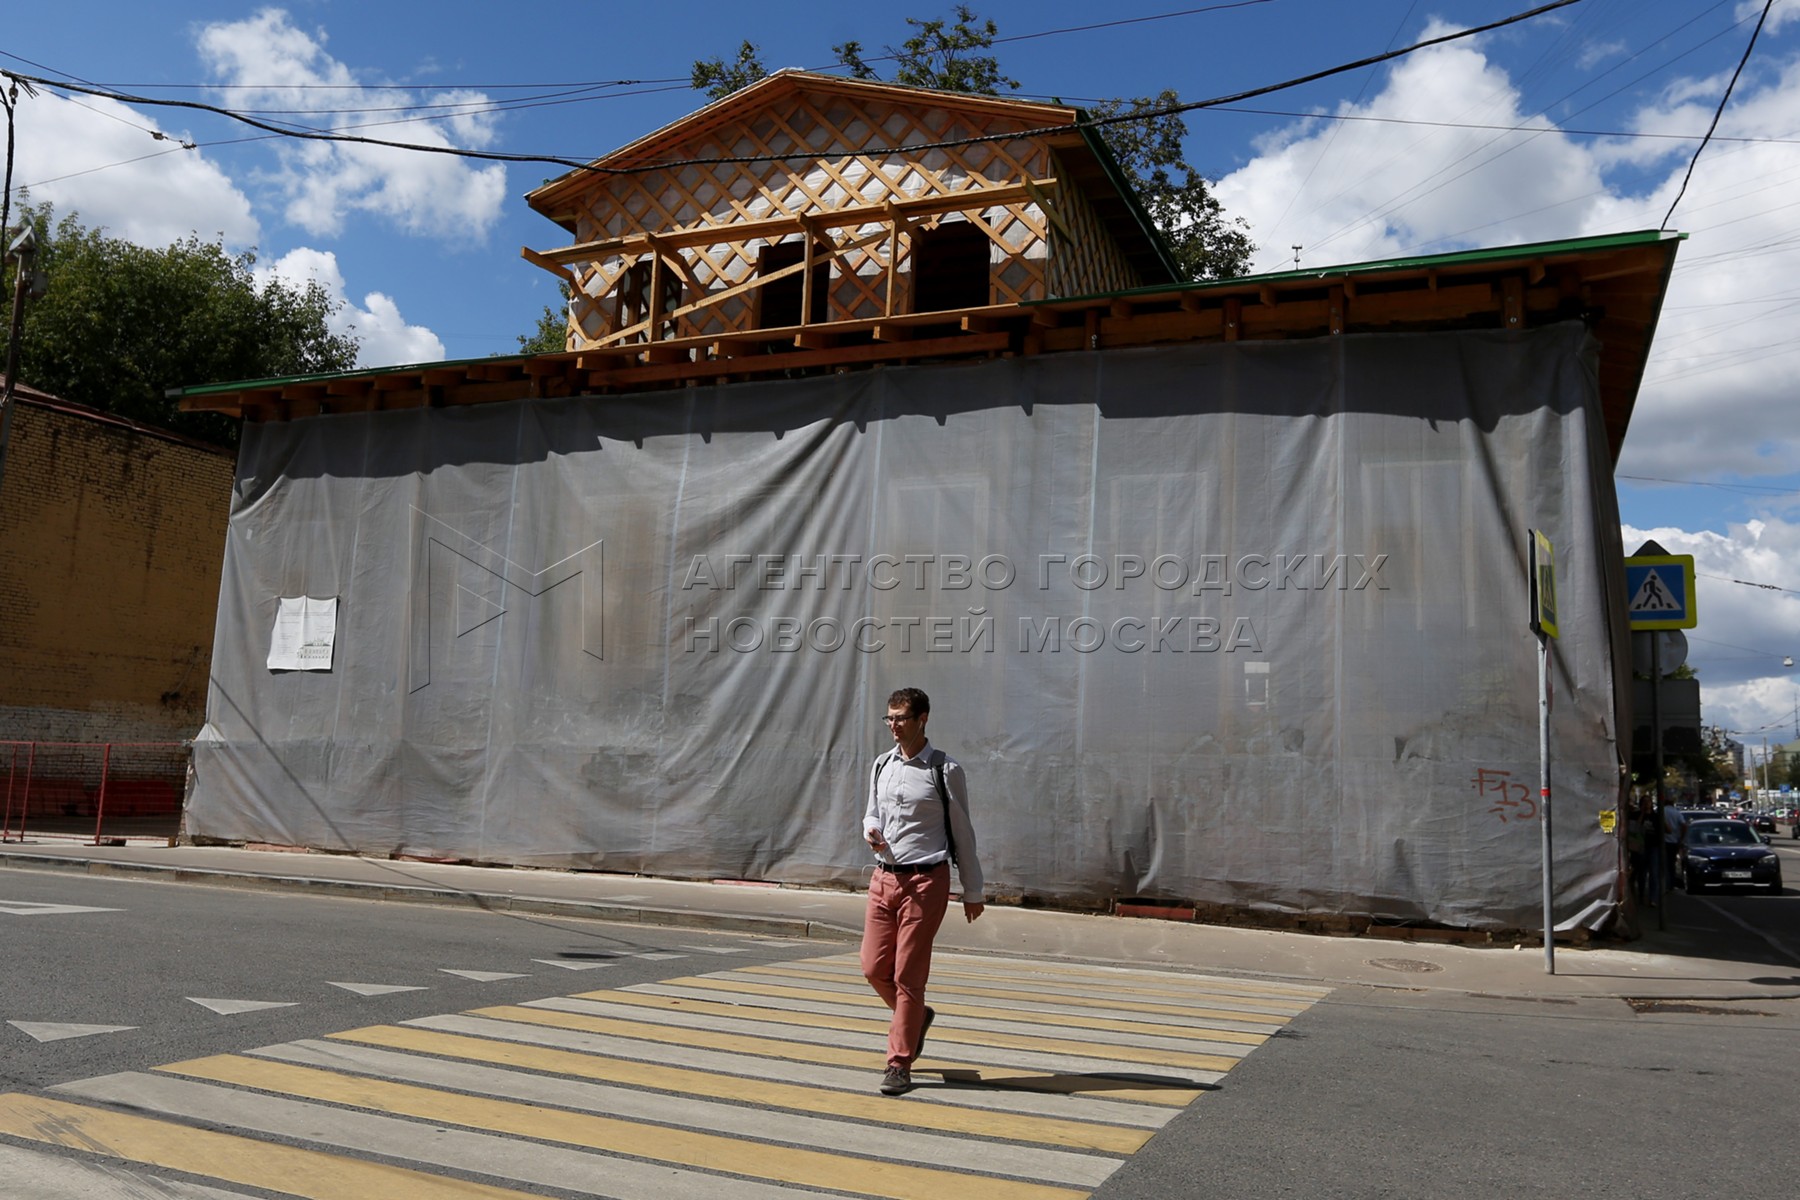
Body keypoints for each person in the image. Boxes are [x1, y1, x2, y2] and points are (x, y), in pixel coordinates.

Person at [861, 686, 984, 1096]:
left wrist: (973, 890)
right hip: (884, 878)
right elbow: (872, 811)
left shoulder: (944, 770)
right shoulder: (882, 765)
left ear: (922, 719)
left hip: (926, 881)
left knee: (908, 977)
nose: (893, 726)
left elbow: (963, 833)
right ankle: (916, 1018)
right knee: (874, 968)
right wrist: (870, 830)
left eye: (901, 718)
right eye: (889, 718)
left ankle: (899, 1063)